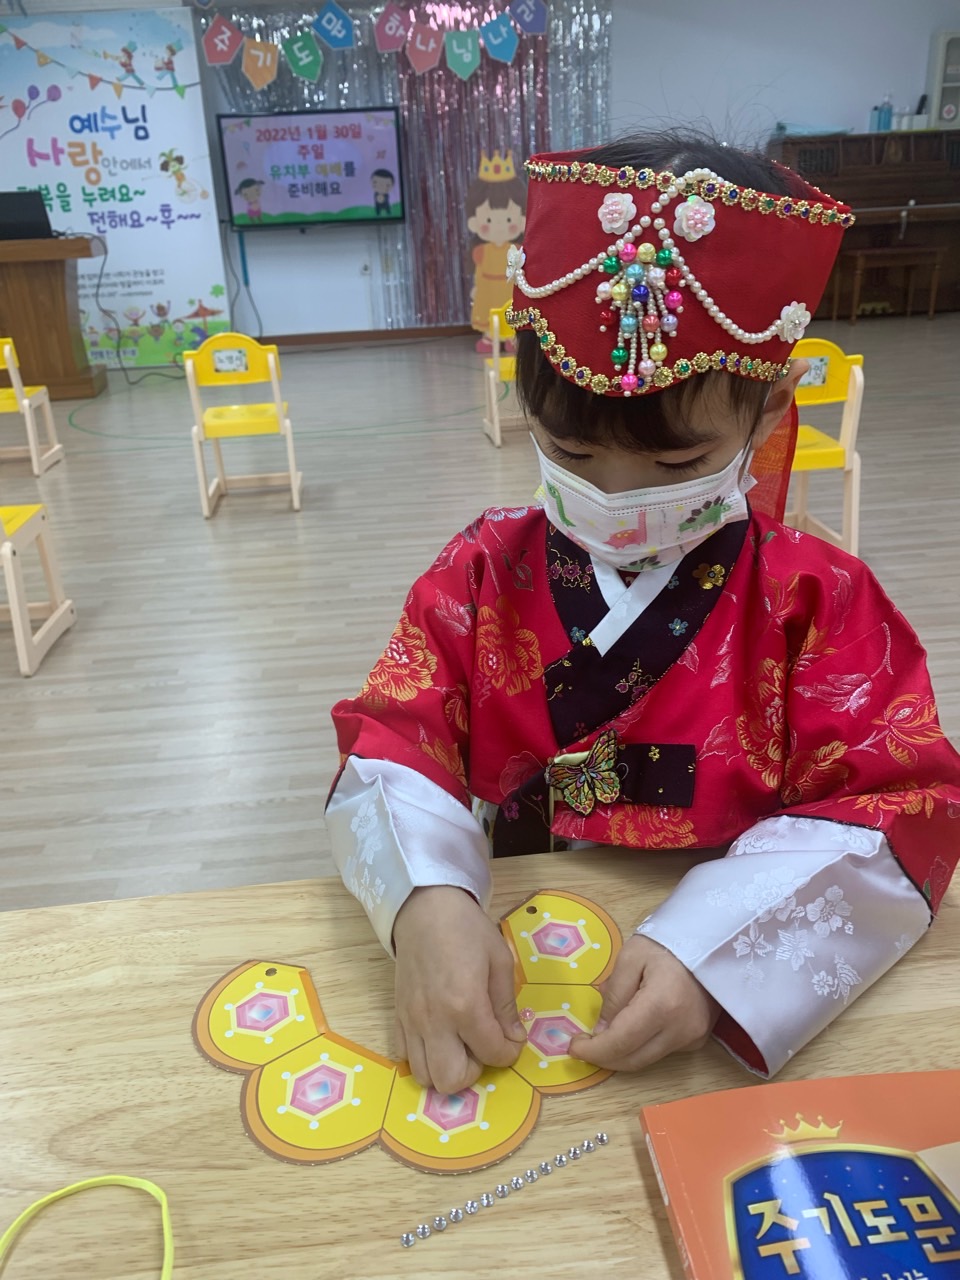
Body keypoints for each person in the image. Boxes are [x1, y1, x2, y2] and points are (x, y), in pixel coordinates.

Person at [326, 129, 960, 1097]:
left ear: (771, 408)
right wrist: (426, 900)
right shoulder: (482, 573)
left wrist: (723, 949)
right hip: (520, 944)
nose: (616, 499)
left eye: (676, 463)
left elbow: (901, 802)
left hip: (698, 981)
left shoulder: (815, 602)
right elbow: (393, 741)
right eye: (570, 453)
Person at [466, 151, 527, 352]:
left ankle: (511, 335)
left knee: (510, 309)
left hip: (509, 289)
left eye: (508, 219)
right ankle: (490, 336)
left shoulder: (517, 249)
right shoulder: (481, 251)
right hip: (488, 288)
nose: (499, 225)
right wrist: (476, 288)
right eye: (490, 220)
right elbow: (478, 272)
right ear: (474, 221)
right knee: (489, 311)